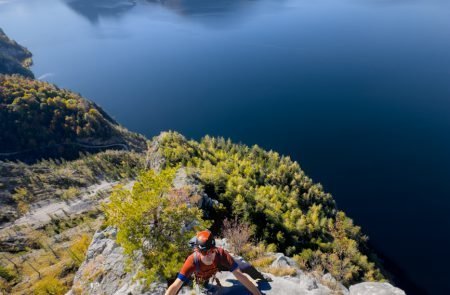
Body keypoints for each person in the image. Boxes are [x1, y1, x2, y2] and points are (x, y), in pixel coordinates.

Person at [165, 230, 262, 295]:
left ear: (215, 248)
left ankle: (261, 277)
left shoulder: (221, 254)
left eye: (211, 251)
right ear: (198, 251)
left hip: (218, 265)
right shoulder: (192, 261)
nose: (209, 255)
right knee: (203, 288)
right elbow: (176, 285)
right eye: (204, 252)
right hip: (201, 275)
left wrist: (258, 294)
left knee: (244, 265)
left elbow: (240, 276)